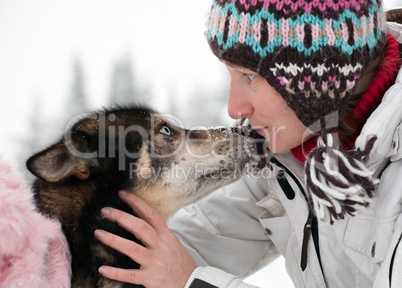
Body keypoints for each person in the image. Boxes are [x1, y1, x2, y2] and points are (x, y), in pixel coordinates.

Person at [94, 0, 402, 287]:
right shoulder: (291, 151)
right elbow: (182, 248)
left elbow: (179, 273)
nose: (234, 108)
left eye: (249, 77)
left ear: (319, 77)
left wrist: (192, 282)